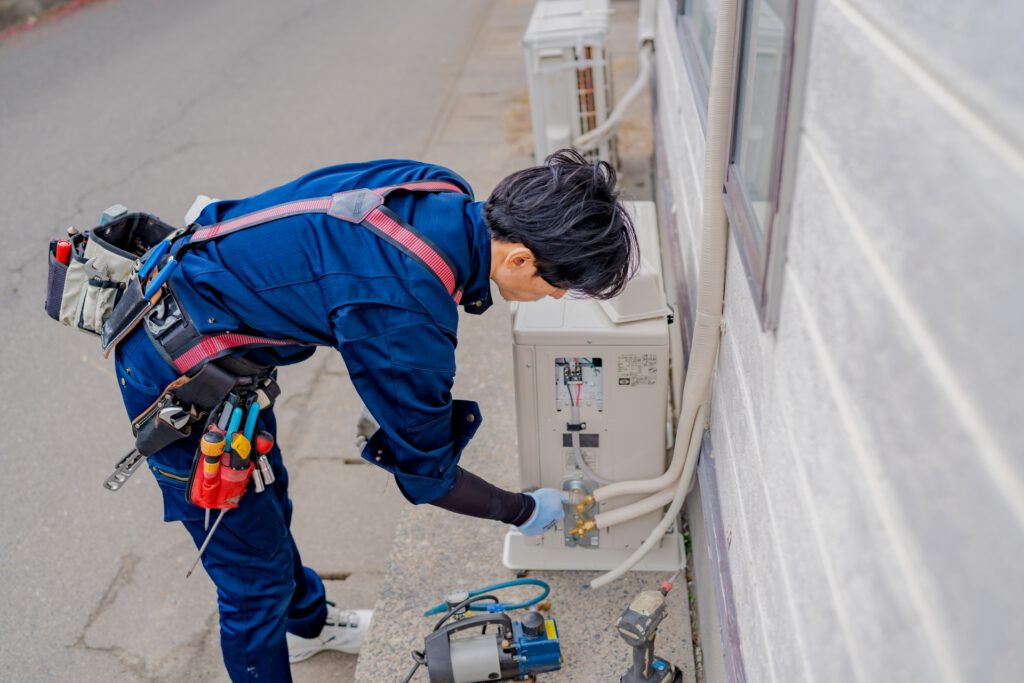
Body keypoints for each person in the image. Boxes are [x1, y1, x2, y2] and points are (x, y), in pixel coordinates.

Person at [112, 149, 637, 682]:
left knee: (269, 500)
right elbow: (428, 476)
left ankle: (307, 628)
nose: (555, 296)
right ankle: (281, 631)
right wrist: (522, 510)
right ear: (521, 259)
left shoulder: (436, 189)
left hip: (204, 324)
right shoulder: (405, 311)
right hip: (175, 376)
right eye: (559, 285)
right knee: (252, 580)